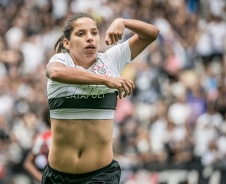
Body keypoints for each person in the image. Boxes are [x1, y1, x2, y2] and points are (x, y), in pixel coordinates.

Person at [43, 12, 159, 184]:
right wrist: (107, 80)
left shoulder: (111, 60)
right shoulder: (61, 61)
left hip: (100, 175)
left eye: (94, 33)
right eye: (81, 34)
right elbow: (55, 72)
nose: (89, 38)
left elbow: (151, 33)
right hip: (57, 176)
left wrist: (123, 22)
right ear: (66, 43)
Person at [24, 108, 52, 183]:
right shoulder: (43, 138)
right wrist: (42, 179)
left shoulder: (66, 135)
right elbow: (28, 163)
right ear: (49, 119)